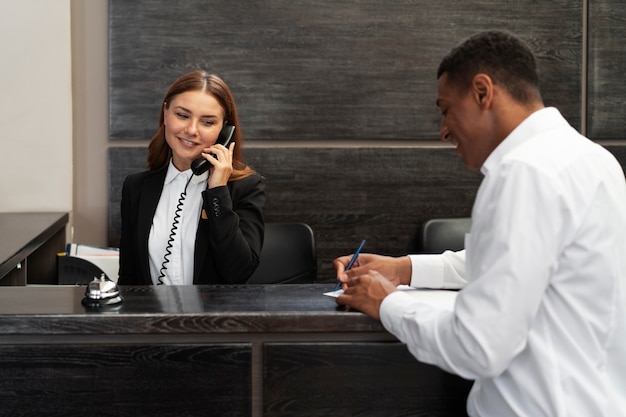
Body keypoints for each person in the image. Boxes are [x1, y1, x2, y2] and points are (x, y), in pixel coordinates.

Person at [334, 31, 626, 416]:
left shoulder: (522, 172)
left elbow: (478, 346)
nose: (443, 131)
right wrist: (406, 268)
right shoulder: (595, 160)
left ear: (482, 92)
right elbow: (526, 264)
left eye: (445, 109)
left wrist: (388, 304)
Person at [118, 70, 265, 285]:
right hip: (152, 316)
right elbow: (129, 278)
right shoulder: (136, 187)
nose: (191, 130)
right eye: (182, 115)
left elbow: (238, 272)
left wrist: (217, 193)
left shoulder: (246, 187)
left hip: (215, 318)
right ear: (165, 113)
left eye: (207, 122)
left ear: (225, 132)